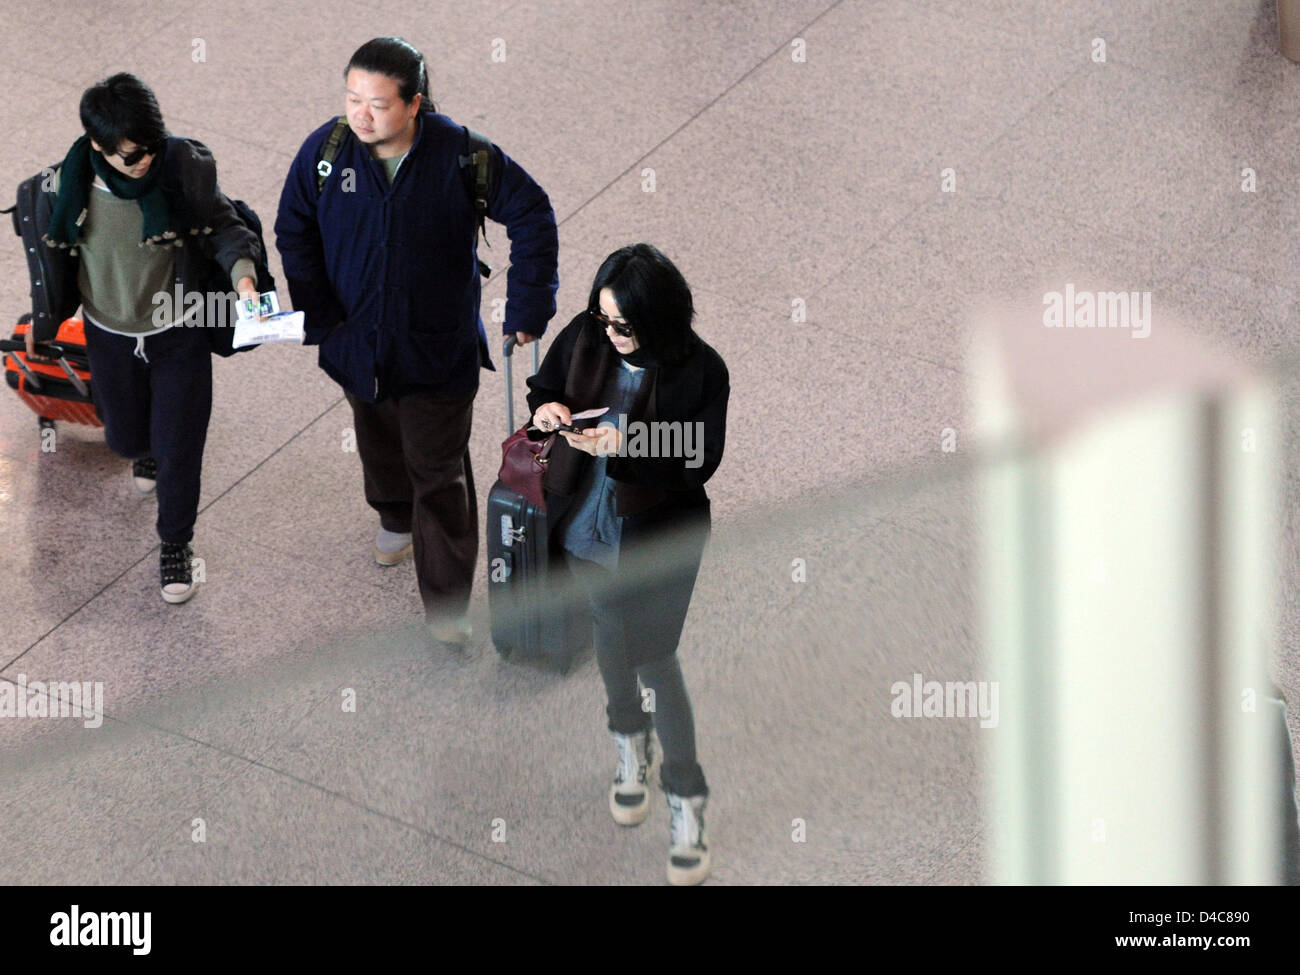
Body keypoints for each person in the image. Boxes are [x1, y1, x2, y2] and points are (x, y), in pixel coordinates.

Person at [275, 37, 559, 646]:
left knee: (438, 472)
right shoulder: (326, 153)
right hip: (355, 344)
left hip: (437, 350)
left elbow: (533, 214)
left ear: (415, 105)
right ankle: (392, 514)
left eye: (377, 104)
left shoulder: (463, 156)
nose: (360, 115)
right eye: (352, 98)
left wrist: (528, 304)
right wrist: (321, 314)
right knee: (377, 440)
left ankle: (447, 604)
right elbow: (293, 227)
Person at [526, 243, 729, 885]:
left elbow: (700, 455)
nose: (607, 333)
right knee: (606, 628)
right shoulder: (587, 334)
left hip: (656, 533)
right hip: (588, 515)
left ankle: (686, 796)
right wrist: (547, 410)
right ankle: (627, 743)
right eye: (601, 317)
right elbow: (548, 385)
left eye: (623, 324)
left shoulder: (701, 370)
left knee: (656, 659)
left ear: (658, 318)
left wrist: (630, 441)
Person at [28, 72, 260, 604]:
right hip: (108, 331)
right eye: (131, 155)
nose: (145, 161)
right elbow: (48, 263)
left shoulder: (182, 168)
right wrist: (44, 325)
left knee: (180, 448)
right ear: (98, 148)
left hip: (179, 328)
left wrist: (242, 277)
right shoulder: (65, 187)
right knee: (126, 438)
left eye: (151, 147)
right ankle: (143, 449)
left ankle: (175, 543)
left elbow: (224, 226)